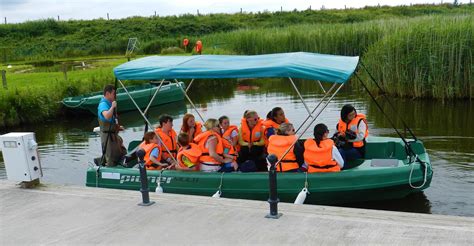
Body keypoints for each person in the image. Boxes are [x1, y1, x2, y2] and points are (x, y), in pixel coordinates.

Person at [97, 84, 126, 166]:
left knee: (122, 153)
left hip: (114, 135)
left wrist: (118, 127)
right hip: (108, 138)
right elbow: (106, 116)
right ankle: (105, 167)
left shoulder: (109, 103)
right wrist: (112, 107)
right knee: (111, 159)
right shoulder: (103, 104)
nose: (115, 96)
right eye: (114, 94)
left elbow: (111, 120)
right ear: (107, 94)